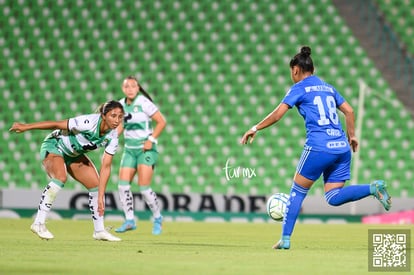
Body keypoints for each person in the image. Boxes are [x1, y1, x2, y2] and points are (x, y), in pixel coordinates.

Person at [240, 46, 391, 250]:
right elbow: (349, 110)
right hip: (341, 148)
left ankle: (285, 239)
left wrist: (255, 127)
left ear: (295, 70)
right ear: (314, 68)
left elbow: (277, 114)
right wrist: (352, 135)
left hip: (319, 147)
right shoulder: (328, 88)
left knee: (297, 191)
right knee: (333, 197)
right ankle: (373, 188)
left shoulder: (298, 88)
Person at [9, 100, 125, 242]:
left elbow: (106, 166)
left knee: (96, 185)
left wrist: (101, 195)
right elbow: (57, 124)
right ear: (103, 115)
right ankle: (38, 223)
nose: (117, 120)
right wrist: (26, 127)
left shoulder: (112, 136)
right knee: (60, 177)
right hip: (54, 146)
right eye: (113, 115)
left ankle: (99, 230)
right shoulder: (88, 122)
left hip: (73, 155)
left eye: (120, 116)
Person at [114, 76, 166, 235]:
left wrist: (151, 139)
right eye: (127, 86)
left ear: (137, 88)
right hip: (129, 150)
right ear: (123, 89)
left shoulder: (144, 103)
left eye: (133, 86)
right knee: (122, 186)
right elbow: (121, 125)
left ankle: (157, 218)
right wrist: (112, 138)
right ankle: (130, 220)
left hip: (145, 150)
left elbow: (162, 121)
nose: (130, 89)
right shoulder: (121, 105)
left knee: (144, 189)